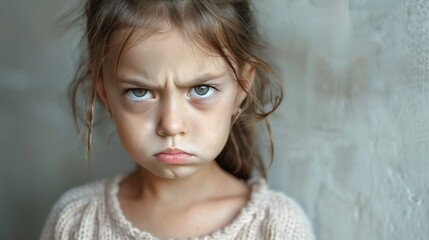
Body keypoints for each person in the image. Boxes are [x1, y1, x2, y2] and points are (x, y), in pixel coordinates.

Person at [41, 1, 315, 239]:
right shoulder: (76, 222)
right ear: (105, 94)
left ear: (241, 88)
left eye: (201, 90)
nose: (171, 125)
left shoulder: (277, 227)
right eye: (140, 92)